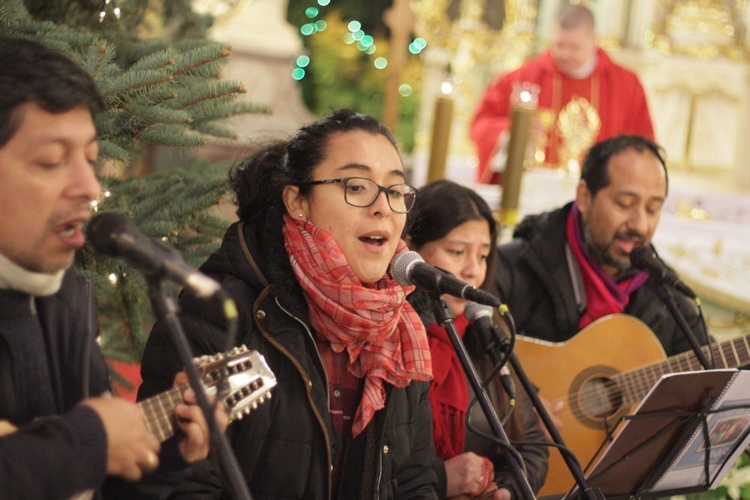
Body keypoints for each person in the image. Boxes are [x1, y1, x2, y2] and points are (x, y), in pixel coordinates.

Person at [133, 109, 438, 498]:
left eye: (395, 191)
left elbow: (414, 481)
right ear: (298, 201)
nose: (382, 207)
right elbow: (177, 487)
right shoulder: (222, 315)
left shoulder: (401, 329)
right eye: (356, 186)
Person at [0, 37, 222, 498]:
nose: (87, 186)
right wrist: (90, 442)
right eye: (50, 161)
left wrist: (164, 454)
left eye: (91, 160)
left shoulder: (66, 301)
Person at [494, 134, 706, 493]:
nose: (639, 225)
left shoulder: (662, 290)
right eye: (625, 203)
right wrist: (513, 407)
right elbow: (456, 359)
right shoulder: (514, 266)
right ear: (585, 197)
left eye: (653, 209)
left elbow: (713, 371)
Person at [405, 180, 548, 499]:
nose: (473, 271)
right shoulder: (389, 335)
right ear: (410, 251)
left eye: (483, 256)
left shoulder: (485, 330)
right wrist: (441, 479)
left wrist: (508, 490)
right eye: (457, 252)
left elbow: (533, 445)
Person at [471, 3, 654, 184]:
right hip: (534, 190)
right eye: (559, 45)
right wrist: (514, 130)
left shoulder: (626, 85)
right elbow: (480, 124)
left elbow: (642, 146)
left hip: (598, 193)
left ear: (594, 41)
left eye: (574, 47)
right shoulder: (523, 78)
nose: (565, 54)